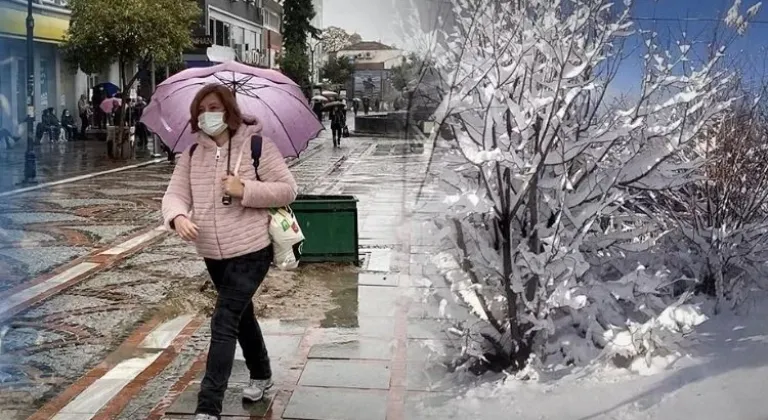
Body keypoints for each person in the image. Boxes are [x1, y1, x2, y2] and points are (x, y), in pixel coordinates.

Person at [162, 84, 297, 420]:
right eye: (202, 110)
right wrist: (177, 216)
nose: (209, 114)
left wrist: (244, 188)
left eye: (214, 107)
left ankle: (209, 407)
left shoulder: (257, 146)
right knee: (241, 316)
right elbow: (174, 195)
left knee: (223, 321)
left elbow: (288, 190)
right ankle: (263, 374)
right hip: (212, 253)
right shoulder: (192, 156)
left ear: (229, 111)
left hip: (252, 250)